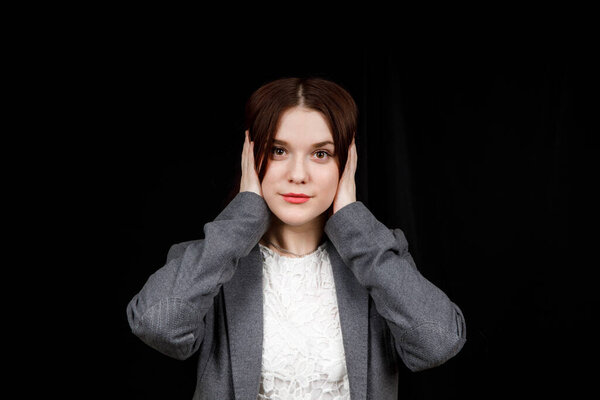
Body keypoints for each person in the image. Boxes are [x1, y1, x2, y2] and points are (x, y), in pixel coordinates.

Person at [126, 77, 466, 399]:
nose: (298, 175)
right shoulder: (213, 260)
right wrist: (243, 216)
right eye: (278, 151)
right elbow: (158, 325)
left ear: (346, 163)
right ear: (250, 155)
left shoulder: (376, 254)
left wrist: (352, 222)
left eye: (321, 154)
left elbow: (438, 342)